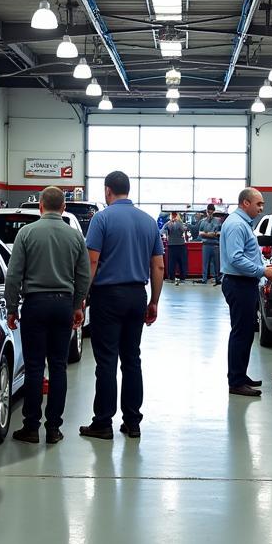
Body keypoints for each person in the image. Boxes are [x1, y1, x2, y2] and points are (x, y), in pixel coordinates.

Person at [80, 171, 165, 440]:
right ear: (127, 190)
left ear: (107, 191)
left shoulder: (101, 219)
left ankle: (103, 422)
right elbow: (158, 265)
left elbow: (92, 262)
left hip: (107, 297)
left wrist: (82, 298)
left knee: (106, 360)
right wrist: (154, 301)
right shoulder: (148, 221)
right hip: (137, 296)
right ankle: (133, 422)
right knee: (132, 359)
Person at [5, 186, 91, 444]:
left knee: (34, 368)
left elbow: (13, 275)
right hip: (63, 305)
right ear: (64, 208)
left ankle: (31, 427)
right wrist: (77, 305)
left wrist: (11, 307)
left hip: (35, 305)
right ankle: (54, 428)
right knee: (58, 367)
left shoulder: (26, 233)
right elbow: (84, 276)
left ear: (40, 206)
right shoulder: (75, 237)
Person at [220, 188, 272, 396]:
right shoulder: (237, 225)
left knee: (245, 332)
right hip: (238, 284)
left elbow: (249, 255)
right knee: (240, 332)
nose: (261, 208)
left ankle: (240, 375)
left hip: (243, 283)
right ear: (245, 203)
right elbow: (236, 258)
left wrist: (265, 267)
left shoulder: (243, 224)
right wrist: (262, 270)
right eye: (258, 204)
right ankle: (236, 382)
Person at [198, 204, 222, 285]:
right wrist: (210, 234)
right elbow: (200, 233)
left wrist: (206, 234)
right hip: (206, 245)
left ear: (213, 211)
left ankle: (217, 279)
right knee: (205, 263)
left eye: (211, 211)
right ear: (206, 211)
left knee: (216, 263)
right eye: (208, 211)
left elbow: (218, 233)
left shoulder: (218, 221)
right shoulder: (203, 221)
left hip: (215, 245)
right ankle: (204, 279)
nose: (210, 213)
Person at [164, 211, 188, 284]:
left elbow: (183, 229)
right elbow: (163, 230)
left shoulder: (180, 223)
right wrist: (170, 223)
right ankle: (172, 278)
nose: (174, 216)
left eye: (175, 215)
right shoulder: (168, 223)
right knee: (172, 263)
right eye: (172, 215)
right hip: (172, 245)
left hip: (180, 245)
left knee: (181, 262)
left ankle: (182, 278)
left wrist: (177, 222)